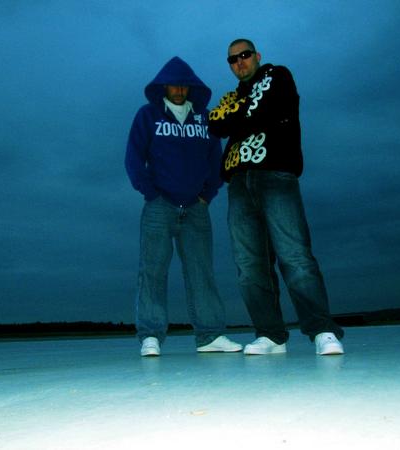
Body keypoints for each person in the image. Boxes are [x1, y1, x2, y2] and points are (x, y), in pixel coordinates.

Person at [208, 39, 345, 355]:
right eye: (232, 59)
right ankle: (270, 335)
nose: (239, 62)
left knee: (294, 254)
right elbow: (216, 124)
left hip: (276, 174)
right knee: (249, 264)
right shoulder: (230, 97)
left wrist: (240, 117)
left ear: (257, 56)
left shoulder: (277, 75)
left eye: (244, 55)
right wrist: (246, 113)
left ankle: (322, 330)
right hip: (238, 184)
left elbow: (268, 109)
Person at [125, 56, 242, 357]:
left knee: (201, 271)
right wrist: (150, 193)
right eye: (173, 85)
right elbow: (134, 158)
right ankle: (151, 336)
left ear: (191, 88)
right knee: (152, 270)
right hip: (159, 207)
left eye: (184, 86)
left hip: (196, 208)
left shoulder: (205, 119)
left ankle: (210, 335)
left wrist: (207, 194)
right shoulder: (148, 116)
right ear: (164, 87)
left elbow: (215, 160)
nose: (178, 90)